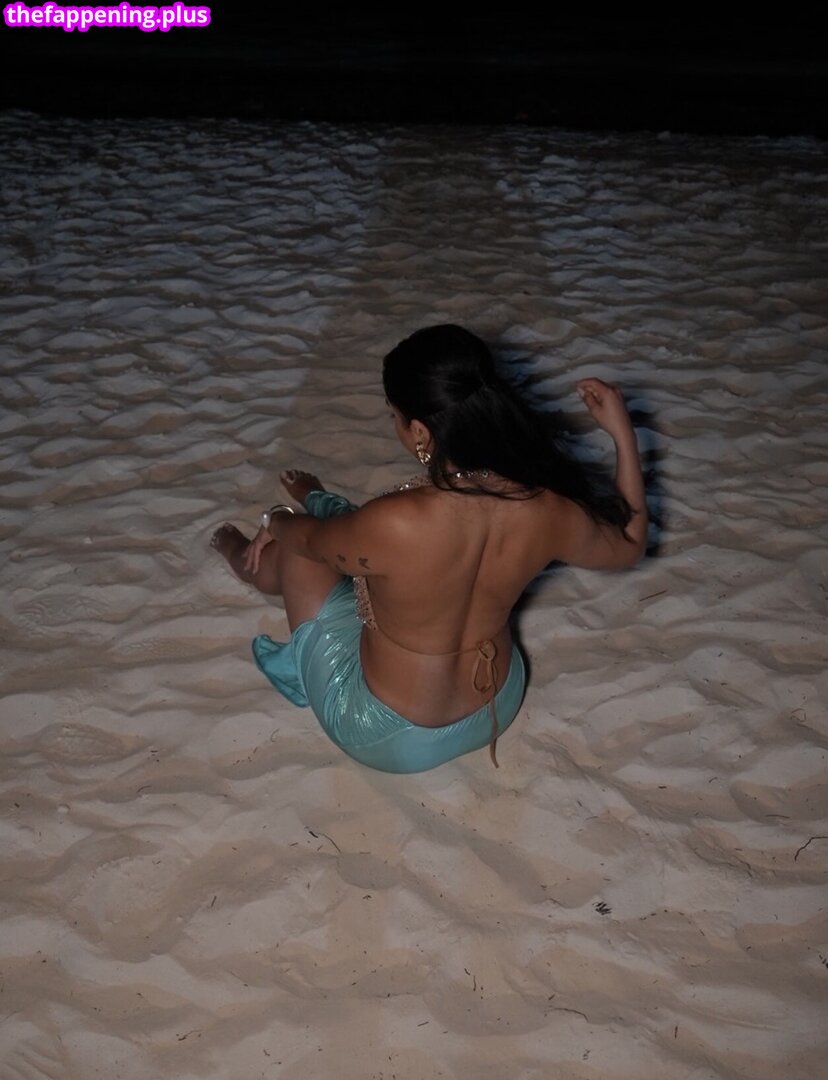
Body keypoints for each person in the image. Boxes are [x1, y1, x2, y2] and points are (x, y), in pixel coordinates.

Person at [211, 324, 647, 773]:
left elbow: (312, 541)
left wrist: (275, 519)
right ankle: (313, 500)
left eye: (394, 416)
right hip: (497, 704)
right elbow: (630, 544)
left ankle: (241, 557)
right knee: (361, 539)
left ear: (419, 431)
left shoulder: (398, 520)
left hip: (393, 737)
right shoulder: (547, 508)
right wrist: (622, 436)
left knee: (299, 553)